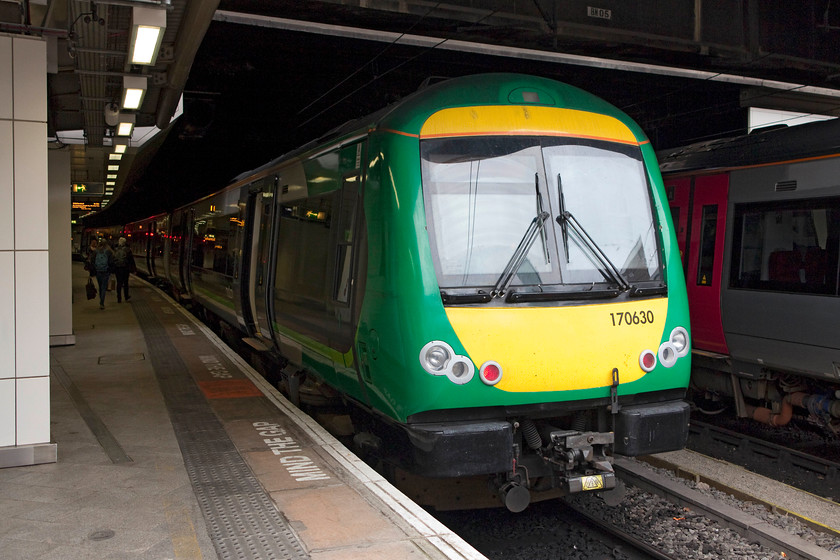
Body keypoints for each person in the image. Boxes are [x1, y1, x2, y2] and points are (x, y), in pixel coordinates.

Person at [88, 238, 114, 309]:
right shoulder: (109, 251)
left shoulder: (96, 251)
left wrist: (94, 269)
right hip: (106, 271)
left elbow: (92, 261)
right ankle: (102, 303)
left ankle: (101, 301)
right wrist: (110, 269)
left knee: (100, 287)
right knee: (104, 287)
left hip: (98, 271)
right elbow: (111, 262)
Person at [113, 237, 135, 303]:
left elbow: (113, 259)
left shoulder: (115, 249)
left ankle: (119, 298)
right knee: (125, 283)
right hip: (125, 268)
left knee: (119, 283)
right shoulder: (128, 250)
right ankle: (126, 296)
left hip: (117, 268)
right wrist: (133, 269)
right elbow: (131, 260)